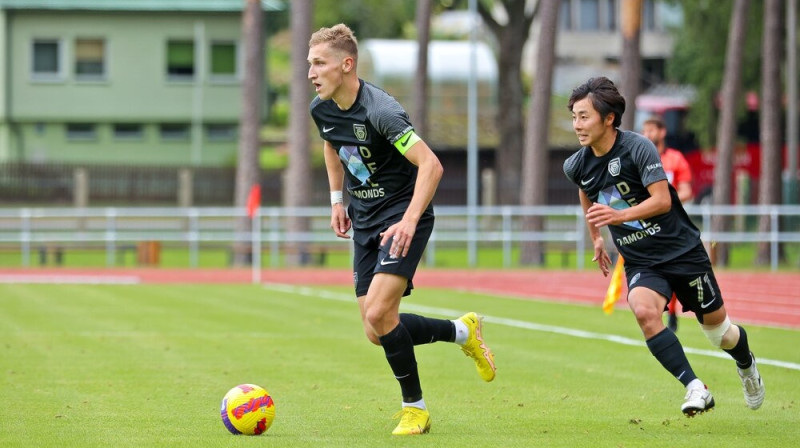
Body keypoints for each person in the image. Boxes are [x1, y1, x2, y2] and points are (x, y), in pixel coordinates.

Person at [307, 24, 496, 435]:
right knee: (376, 330)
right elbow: (330, 142)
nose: (311, 73)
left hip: (402, 216)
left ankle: (416, 409)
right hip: (363, 219)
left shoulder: (381, 110)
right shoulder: (321, 109)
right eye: (310, 64)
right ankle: (462, 331)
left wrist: (409, 220)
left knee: (379, 312)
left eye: (319, 63)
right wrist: (337, 200)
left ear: (346, 64)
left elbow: (431, 165)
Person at [562, 77, 764, 417]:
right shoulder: (576, 164)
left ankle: (746, 364)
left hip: (683, 252)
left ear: (608, 118)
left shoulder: (638, 148)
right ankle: (695, 387)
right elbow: (585, 189)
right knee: (643, 311)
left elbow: (662, 202)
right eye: (574, 117)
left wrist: (619, 214)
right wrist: (597, 235)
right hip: (643, 260)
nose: (577, 125)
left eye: (584, 117)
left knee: (720, 335)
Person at [642, 116, 694, 332]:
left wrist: (665, 202)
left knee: (673, 269)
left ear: (662, 132)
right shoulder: (639, 159)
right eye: (644, 131)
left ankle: (671, 312)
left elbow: (687, 190)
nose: (647, 135)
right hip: (647, 223)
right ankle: (660, 310)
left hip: (672, 223)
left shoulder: (675, 159)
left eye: (651, 130)